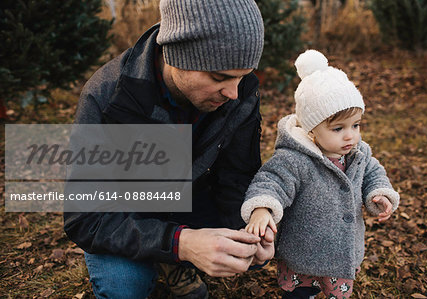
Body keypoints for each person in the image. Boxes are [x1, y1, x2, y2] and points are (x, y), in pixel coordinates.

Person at [63, 0, 275, 298]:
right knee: (124, 288)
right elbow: (85, 217)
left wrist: (250, 226)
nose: (233, 92)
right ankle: (169, 258)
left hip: (191, 195)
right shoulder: (108, 95)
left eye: (242, 76)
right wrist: (182, 243)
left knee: (258, 241)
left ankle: (173, 258)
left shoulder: (239, 89)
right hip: (126, 211)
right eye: (220, 78)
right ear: (177, 55)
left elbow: (238, 174)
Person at [241, 50, 400, 299]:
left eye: (356, 125)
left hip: (342, 255)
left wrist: (379, 193)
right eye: (338, 128)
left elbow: (373, 173)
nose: (350, 136)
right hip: (301, 255)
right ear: (311, 129)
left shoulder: (358, 154)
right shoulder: (295, 159)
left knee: (337, 293)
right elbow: (272, 182)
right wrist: (263, 208)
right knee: (300, 294)